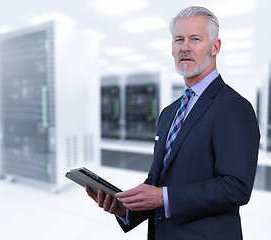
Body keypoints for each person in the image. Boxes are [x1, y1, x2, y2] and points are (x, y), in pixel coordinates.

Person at [86, 6, 260, 240]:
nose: (184, 47)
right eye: (179, 40)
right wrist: (127, 209)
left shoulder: (233, 107)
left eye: (195, 39)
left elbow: (236, 187)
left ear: (215, 47)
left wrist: (163, 198)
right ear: (171, 48)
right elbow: (158, 183)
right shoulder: (169, 112)